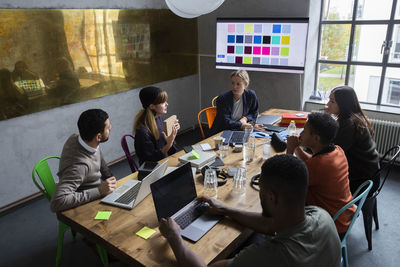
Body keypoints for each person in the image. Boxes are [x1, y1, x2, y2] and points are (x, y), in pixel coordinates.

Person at [159, 154, 341, 267]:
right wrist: (225, 209)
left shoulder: (269, 256)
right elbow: (270, 224)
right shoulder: (321, 216)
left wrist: (175, 237)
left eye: (260, 190)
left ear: (272, 197)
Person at [286, 112, 355, 237]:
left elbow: (285, 181)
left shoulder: (318, 166)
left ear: (316, 138)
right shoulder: (337, 150)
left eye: (304, 131)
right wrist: (297, 148)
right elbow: (312, 160)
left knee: (283, 201)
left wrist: (290, 150)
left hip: (332, 225)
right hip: (344, 215)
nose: (300, 133)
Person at [50, 109, 116, 212]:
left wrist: (110, 178)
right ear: (98, 137)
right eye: (108, 127)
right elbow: (57, 202)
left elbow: (97, 154)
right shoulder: (79, 166)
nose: (110, 127)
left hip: (98, 191)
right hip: (88, 204)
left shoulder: (79, 137)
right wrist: (98, 191)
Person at [325, 86, 380, 194]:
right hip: (370, 173)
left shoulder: (349, 124)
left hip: (362, 180)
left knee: (318, 180)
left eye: (332, 101)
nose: (328, 104)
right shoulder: (354, 117)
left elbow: (332, 152)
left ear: (343, 104)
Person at [133, 86, 180, 165]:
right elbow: (150, 161)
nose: (167, 104)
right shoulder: (142, 132)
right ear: (152, 106)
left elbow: (169, 148)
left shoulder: (159, 118)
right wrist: (168, 144)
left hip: (165, 161)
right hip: (154, 170)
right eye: (162, 102)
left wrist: (172, 133)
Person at [208, 70, 259, 136]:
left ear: (245, 85)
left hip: (240, 130)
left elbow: (254, 112)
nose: (234, 87)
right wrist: (241, 125)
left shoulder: (251, 95)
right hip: (222, 132)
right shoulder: (222, 98)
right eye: (232, 83)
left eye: (238, 84)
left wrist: (245, 118)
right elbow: (225, 121)